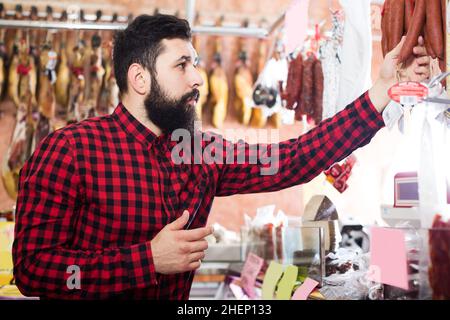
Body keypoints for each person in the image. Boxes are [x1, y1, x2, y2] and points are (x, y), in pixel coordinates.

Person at [12, 14, 430, 299]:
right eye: (182, 66)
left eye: (195, 65)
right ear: (139, 79)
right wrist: (148, 260)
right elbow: (33, 270)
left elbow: (294, 158)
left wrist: (380, 93)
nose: (197, 79)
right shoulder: (69, 150)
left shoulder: (201, 151)